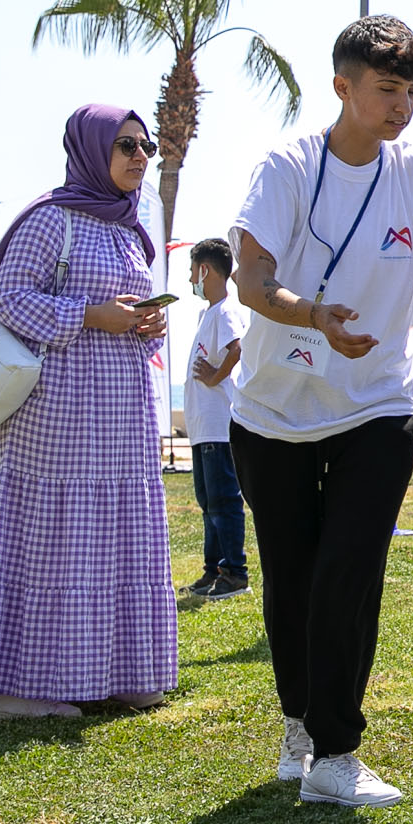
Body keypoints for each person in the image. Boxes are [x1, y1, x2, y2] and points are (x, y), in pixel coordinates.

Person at [230, 16, 413, 808]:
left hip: (379, 401)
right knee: (292, 577)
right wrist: (314, 318)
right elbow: (248, 278)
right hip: (274, 410)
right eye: (386, 89)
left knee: (350, 564)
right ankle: (299, 721)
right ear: (342, 86)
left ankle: (338, 754)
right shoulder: (286, 168)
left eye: (411, 91)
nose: (401, 106)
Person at [0, 105, 174, 719]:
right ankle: (27, 690)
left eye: (146, 146)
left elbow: (133, 320)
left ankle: (120, 672)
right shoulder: (51, 219)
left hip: (121, 417)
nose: (139, 156)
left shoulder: (131, 227)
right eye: (126, 145)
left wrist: (147, 322)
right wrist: (90, 314)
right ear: (90, 149)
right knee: (57, 545)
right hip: (58, 420)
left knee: (116, 541)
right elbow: (9, 301)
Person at [183, 236, 250, 599]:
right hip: (202, 429)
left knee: (223, 500)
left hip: (218, 428)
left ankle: (234, 573)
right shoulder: (208, 312)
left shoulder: (225, 310)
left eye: (192, 270)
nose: (190, 278)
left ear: (205, 270)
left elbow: (238, 347)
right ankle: (213, 569)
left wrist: (215, 375)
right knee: (208, 501)